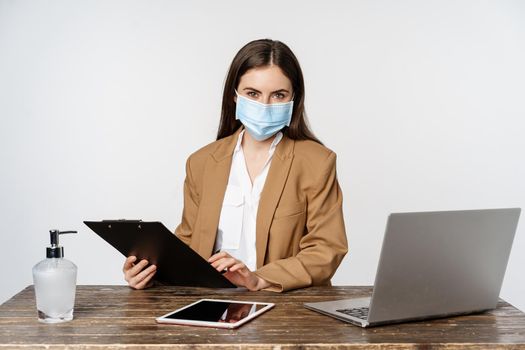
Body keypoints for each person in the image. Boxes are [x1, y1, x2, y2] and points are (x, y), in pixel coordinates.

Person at [123, 39, 348, 292]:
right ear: (235, 95)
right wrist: (151, 272)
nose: (264, 105)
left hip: (284, 310)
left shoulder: (317, 162)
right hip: (213, 304)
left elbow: (327, 248)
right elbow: (188, 243)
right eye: (253, 93)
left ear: (293, 99)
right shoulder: (201, 163)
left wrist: (258, 278)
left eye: (278, 95)